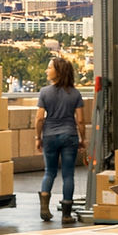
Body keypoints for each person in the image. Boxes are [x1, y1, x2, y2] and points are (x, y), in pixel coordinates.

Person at [35, 56, 84, 224]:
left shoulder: (44, 92)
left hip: (49, 136)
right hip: (70, 135)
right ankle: (66, 215)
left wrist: (38, 137)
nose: (47, 70)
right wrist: (83, 139)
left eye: (50, 68)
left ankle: (44, 208)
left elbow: (39, 119)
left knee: (49, 171)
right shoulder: (75, 93)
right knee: (68, 174)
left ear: (58, 71)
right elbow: (80, 120)